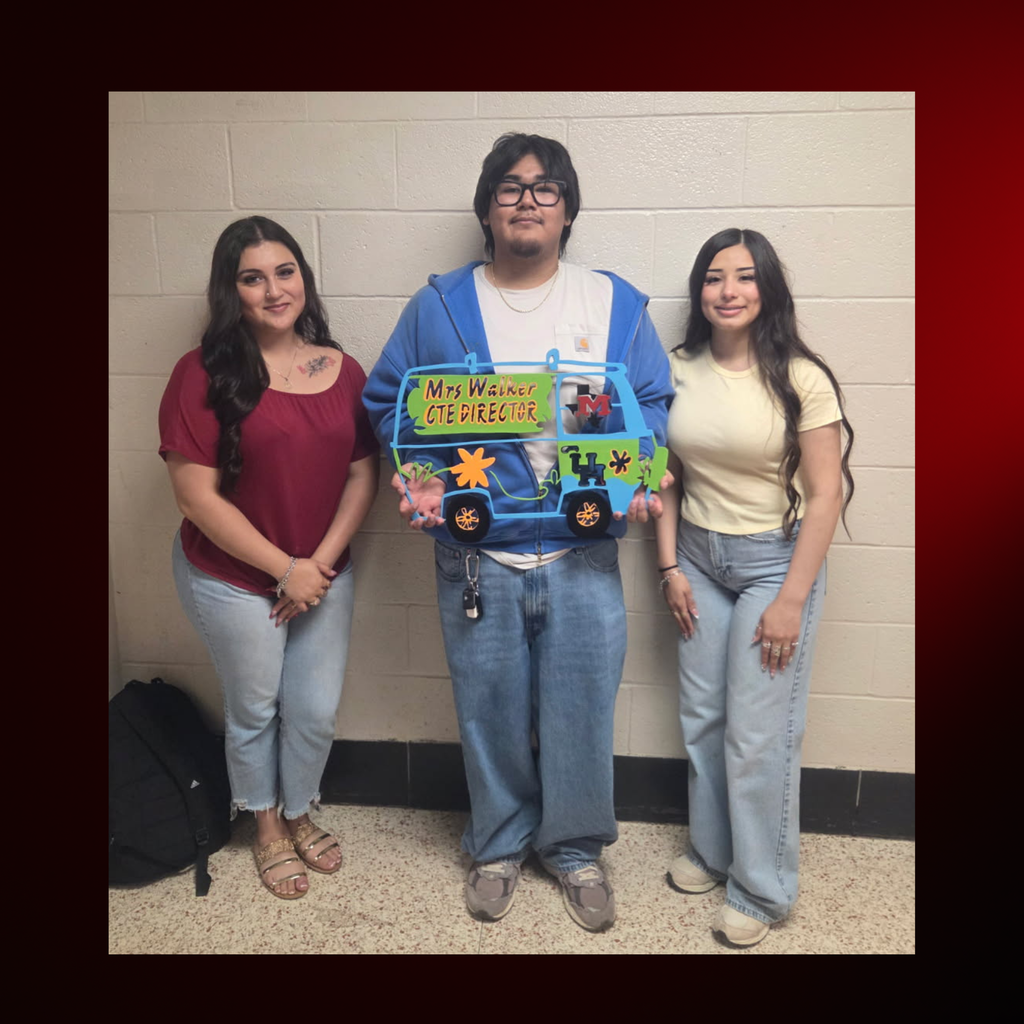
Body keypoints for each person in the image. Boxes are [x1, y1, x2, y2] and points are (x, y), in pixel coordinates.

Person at [363, 133, 673, 932]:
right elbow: (387, 402)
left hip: (582, 547)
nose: (527, 199)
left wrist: (640, 473)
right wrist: (422, 471)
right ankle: (498, 842)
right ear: (487, 208)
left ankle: (573, 850)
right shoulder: (440, 305)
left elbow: (652, 402)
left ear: (567, 209)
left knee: (580, 709)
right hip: (478, 551)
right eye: (509, 187)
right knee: (489, 707)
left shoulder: (614, 302)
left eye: (544, 188)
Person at [158, 216, 379, 900]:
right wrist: (284, 570)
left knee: (312, 709)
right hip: (231, 576)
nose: (274, 289)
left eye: (285, 272)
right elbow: (194, 497)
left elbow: (362, 474)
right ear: (232, 292)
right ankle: (266, 826)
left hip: (319, 571)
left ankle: (302, 807)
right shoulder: (200, 373)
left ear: (304, 281)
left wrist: (315, 567)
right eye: (253, 277)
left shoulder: (343, 369)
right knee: (255, 707)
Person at [654, 228, 854, 947]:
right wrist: (670, 567)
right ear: (698, 291)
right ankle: (713, 853)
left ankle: (762, 891)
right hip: (700, 561)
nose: (727, 290)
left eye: (743, 276)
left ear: (766, 288)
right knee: (704, 717)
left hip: (777, 563)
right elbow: (664, 479)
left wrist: (792, 600)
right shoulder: (674, 368)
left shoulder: (801, 376)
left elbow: (826, 496)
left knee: (758, 737)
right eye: (713, 277)